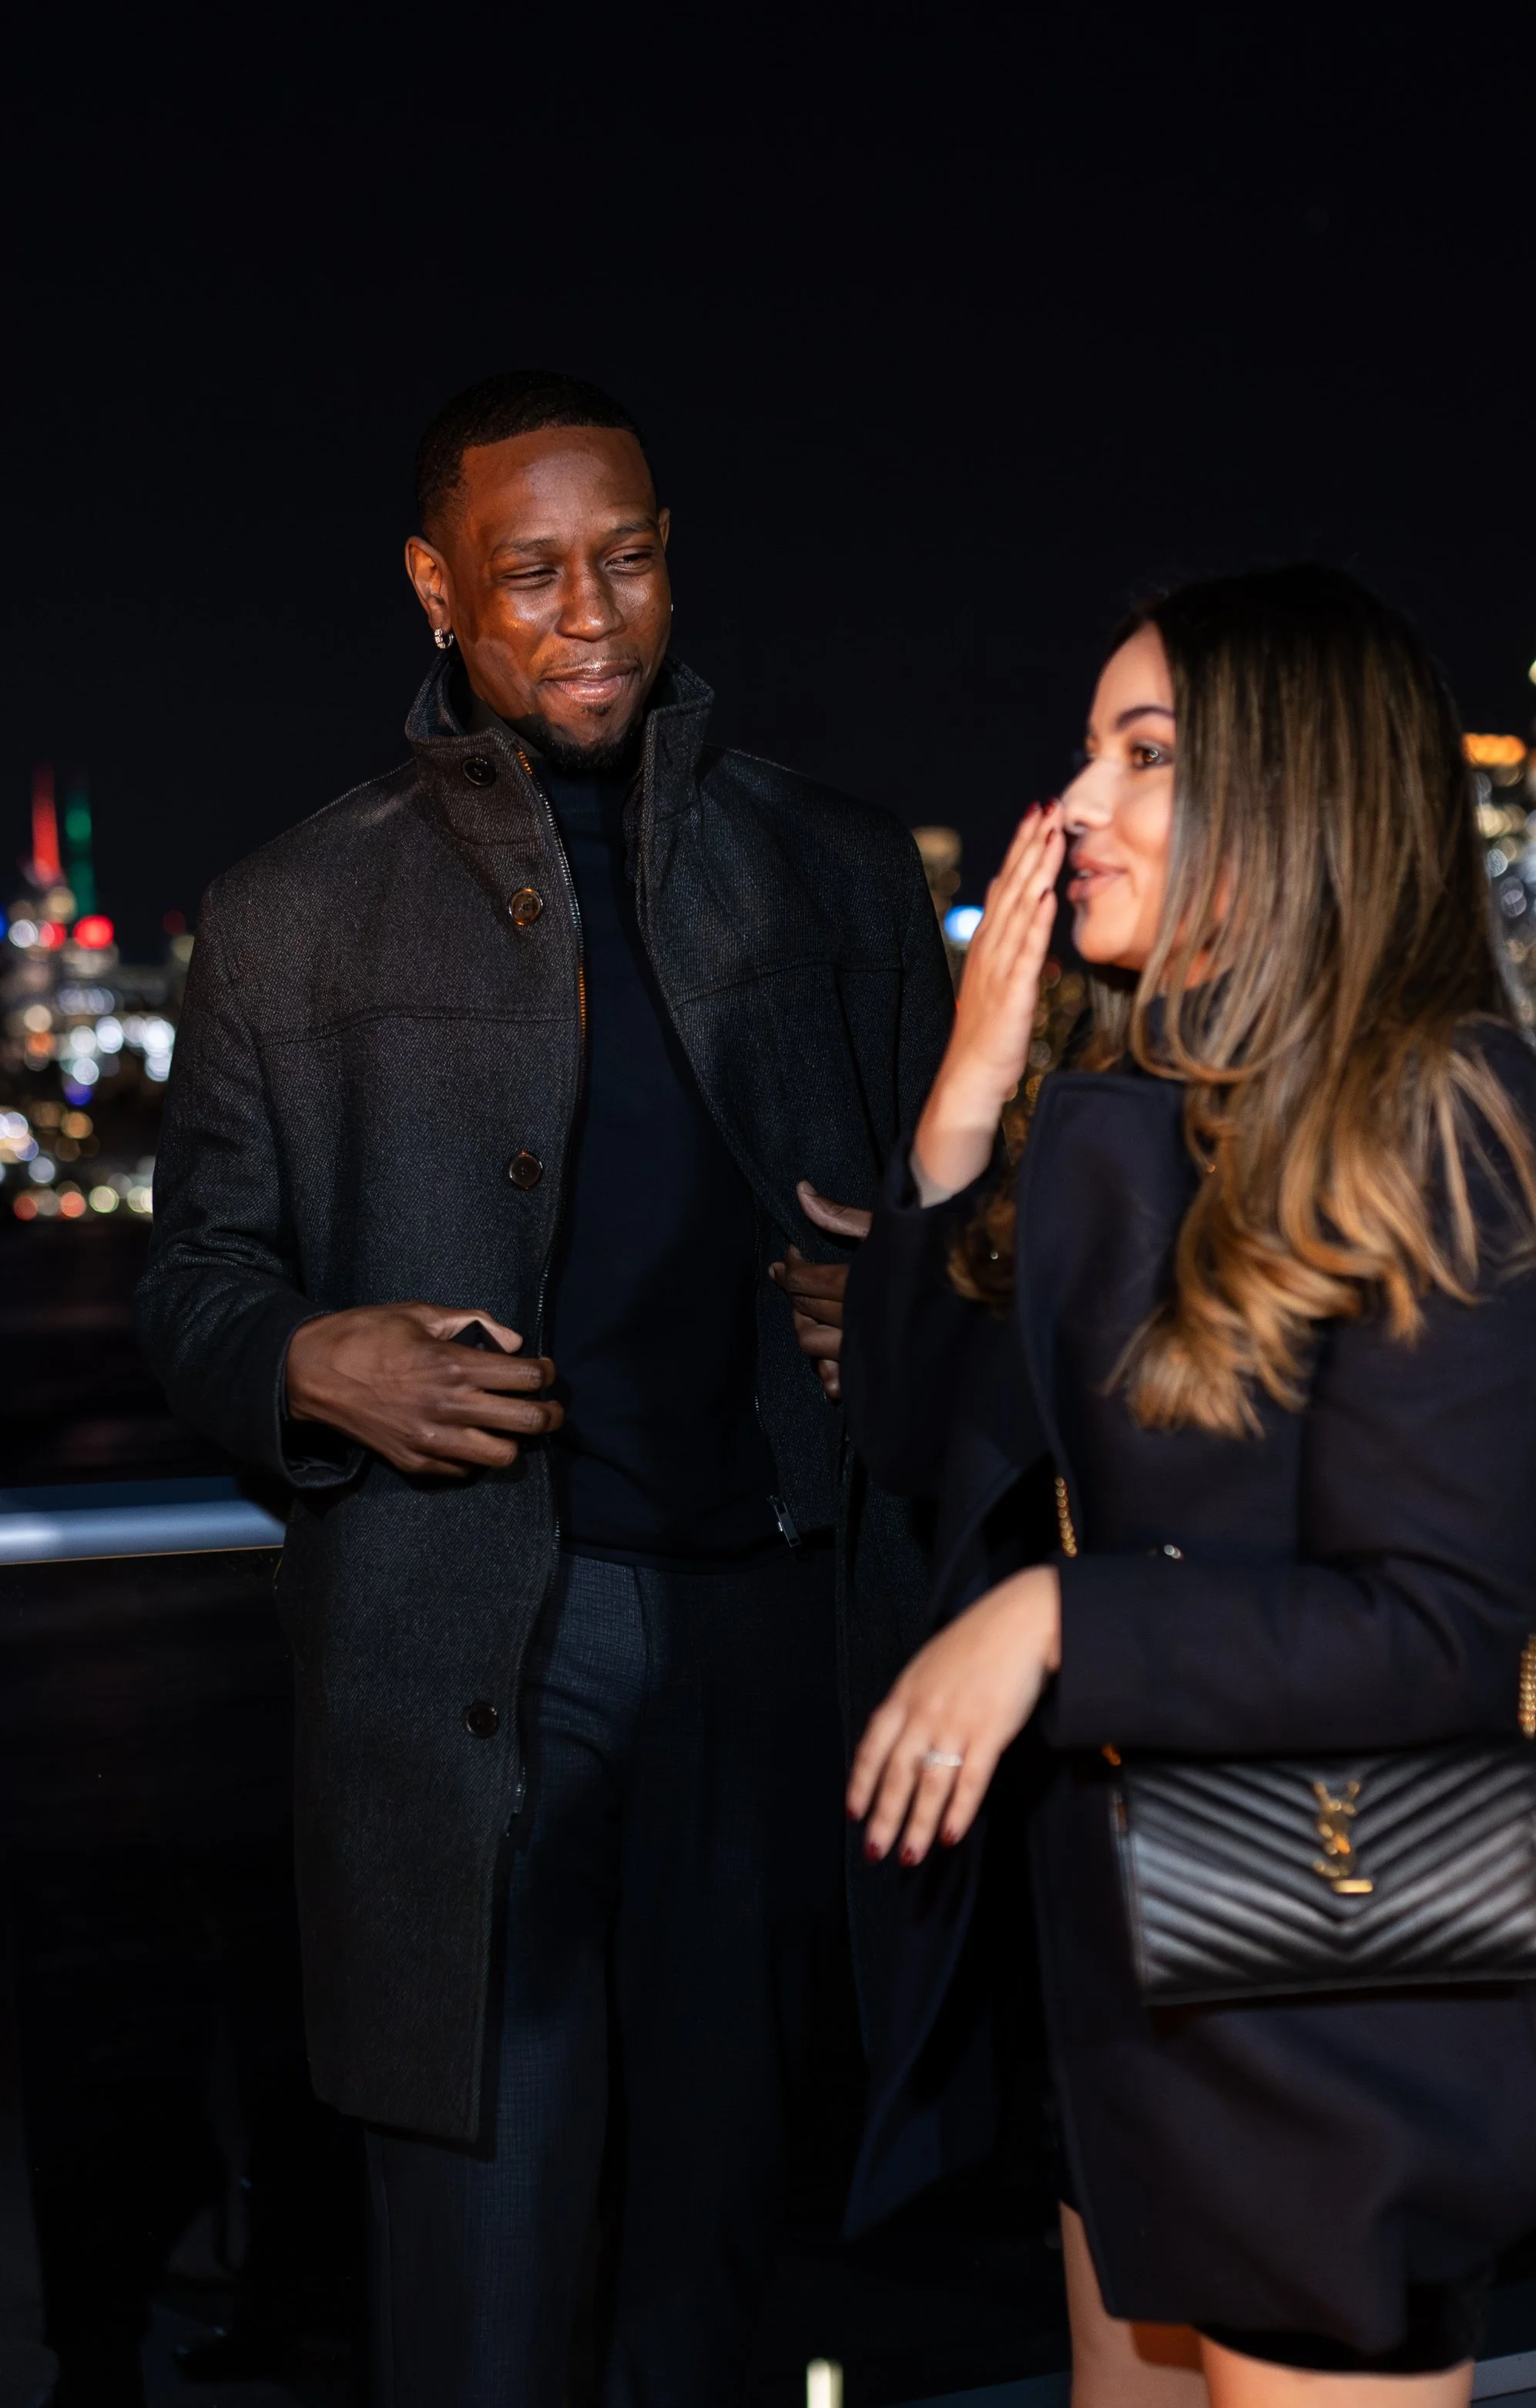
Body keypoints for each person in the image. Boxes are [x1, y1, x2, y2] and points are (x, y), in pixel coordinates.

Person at [135, 370, 952, 2406]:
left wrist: (906, 1295)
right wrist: (305, 1357)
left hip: (771, 1640)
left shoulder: (842, 874)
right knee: (479, 2305)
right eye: (530, 573)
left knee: (717, 2280)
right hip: (461, 1654)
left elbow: (970, 1224)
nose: (591, 612)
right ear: (436, 587)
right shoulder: (282, 914)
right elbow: (195, 1279)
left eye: (630, 557)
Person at [837, 567, 1536, 2406]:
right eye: (1087, 749)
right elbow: (910, 1436)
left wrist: (1053, 1621)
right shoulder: (1136, 1098)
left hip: (1327, 1973)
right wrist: (967, 1089)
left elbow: (1434, 1630)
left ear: (1297, 794)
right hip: (1123, 1946)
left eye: (1144, 753)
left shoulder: (1441, 1112)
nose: (1076, 801)